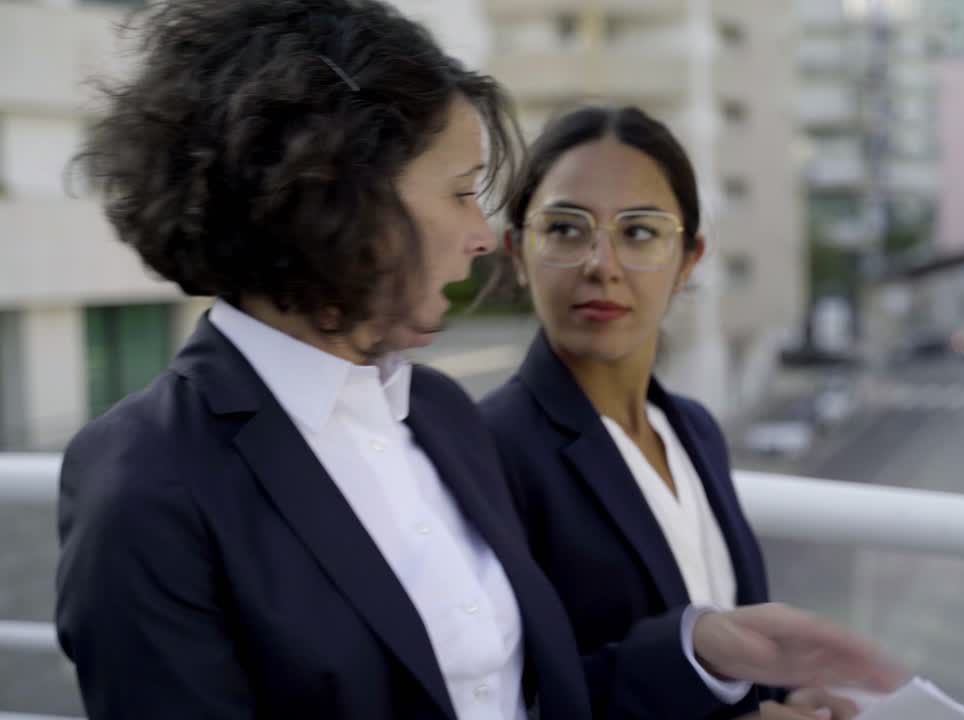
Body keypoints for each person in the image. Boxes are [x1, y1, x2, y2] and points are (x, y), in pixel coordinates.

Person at [55, 3, 898, 719]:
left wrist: (698, 649)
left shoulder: (439, 413)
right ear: (338, 194)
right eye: (462, 191)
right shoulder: (148, 480)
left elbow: (536, 698)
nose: (485, 236)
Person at [480, 106, 897, 720]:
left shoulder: (695, 431)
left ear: (689, 260)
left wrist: (781, 699)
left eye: (640, 232)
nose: (602, 263)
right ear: (517, 252)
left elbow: (728, 664)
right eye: (566, 229)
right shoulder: (489, 451)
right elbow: (511, 702)